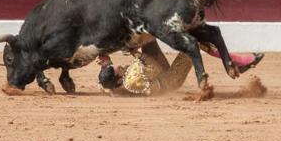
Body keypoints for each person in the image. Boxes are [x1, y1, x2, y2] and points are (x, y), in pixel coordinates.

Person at [97, 40, 264, 96]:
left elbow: (104, 84)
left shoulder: (110, 86)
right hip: (170, 78)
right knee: (194, 44)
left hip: (155, 76)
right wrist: (134, 52)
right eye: (115, 68)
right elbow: (154, 67)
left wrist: (107, 63)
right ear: (119, 76)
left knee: (147, 37)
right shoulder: (132, 78)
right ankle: (234, 64)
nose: (118, 66)